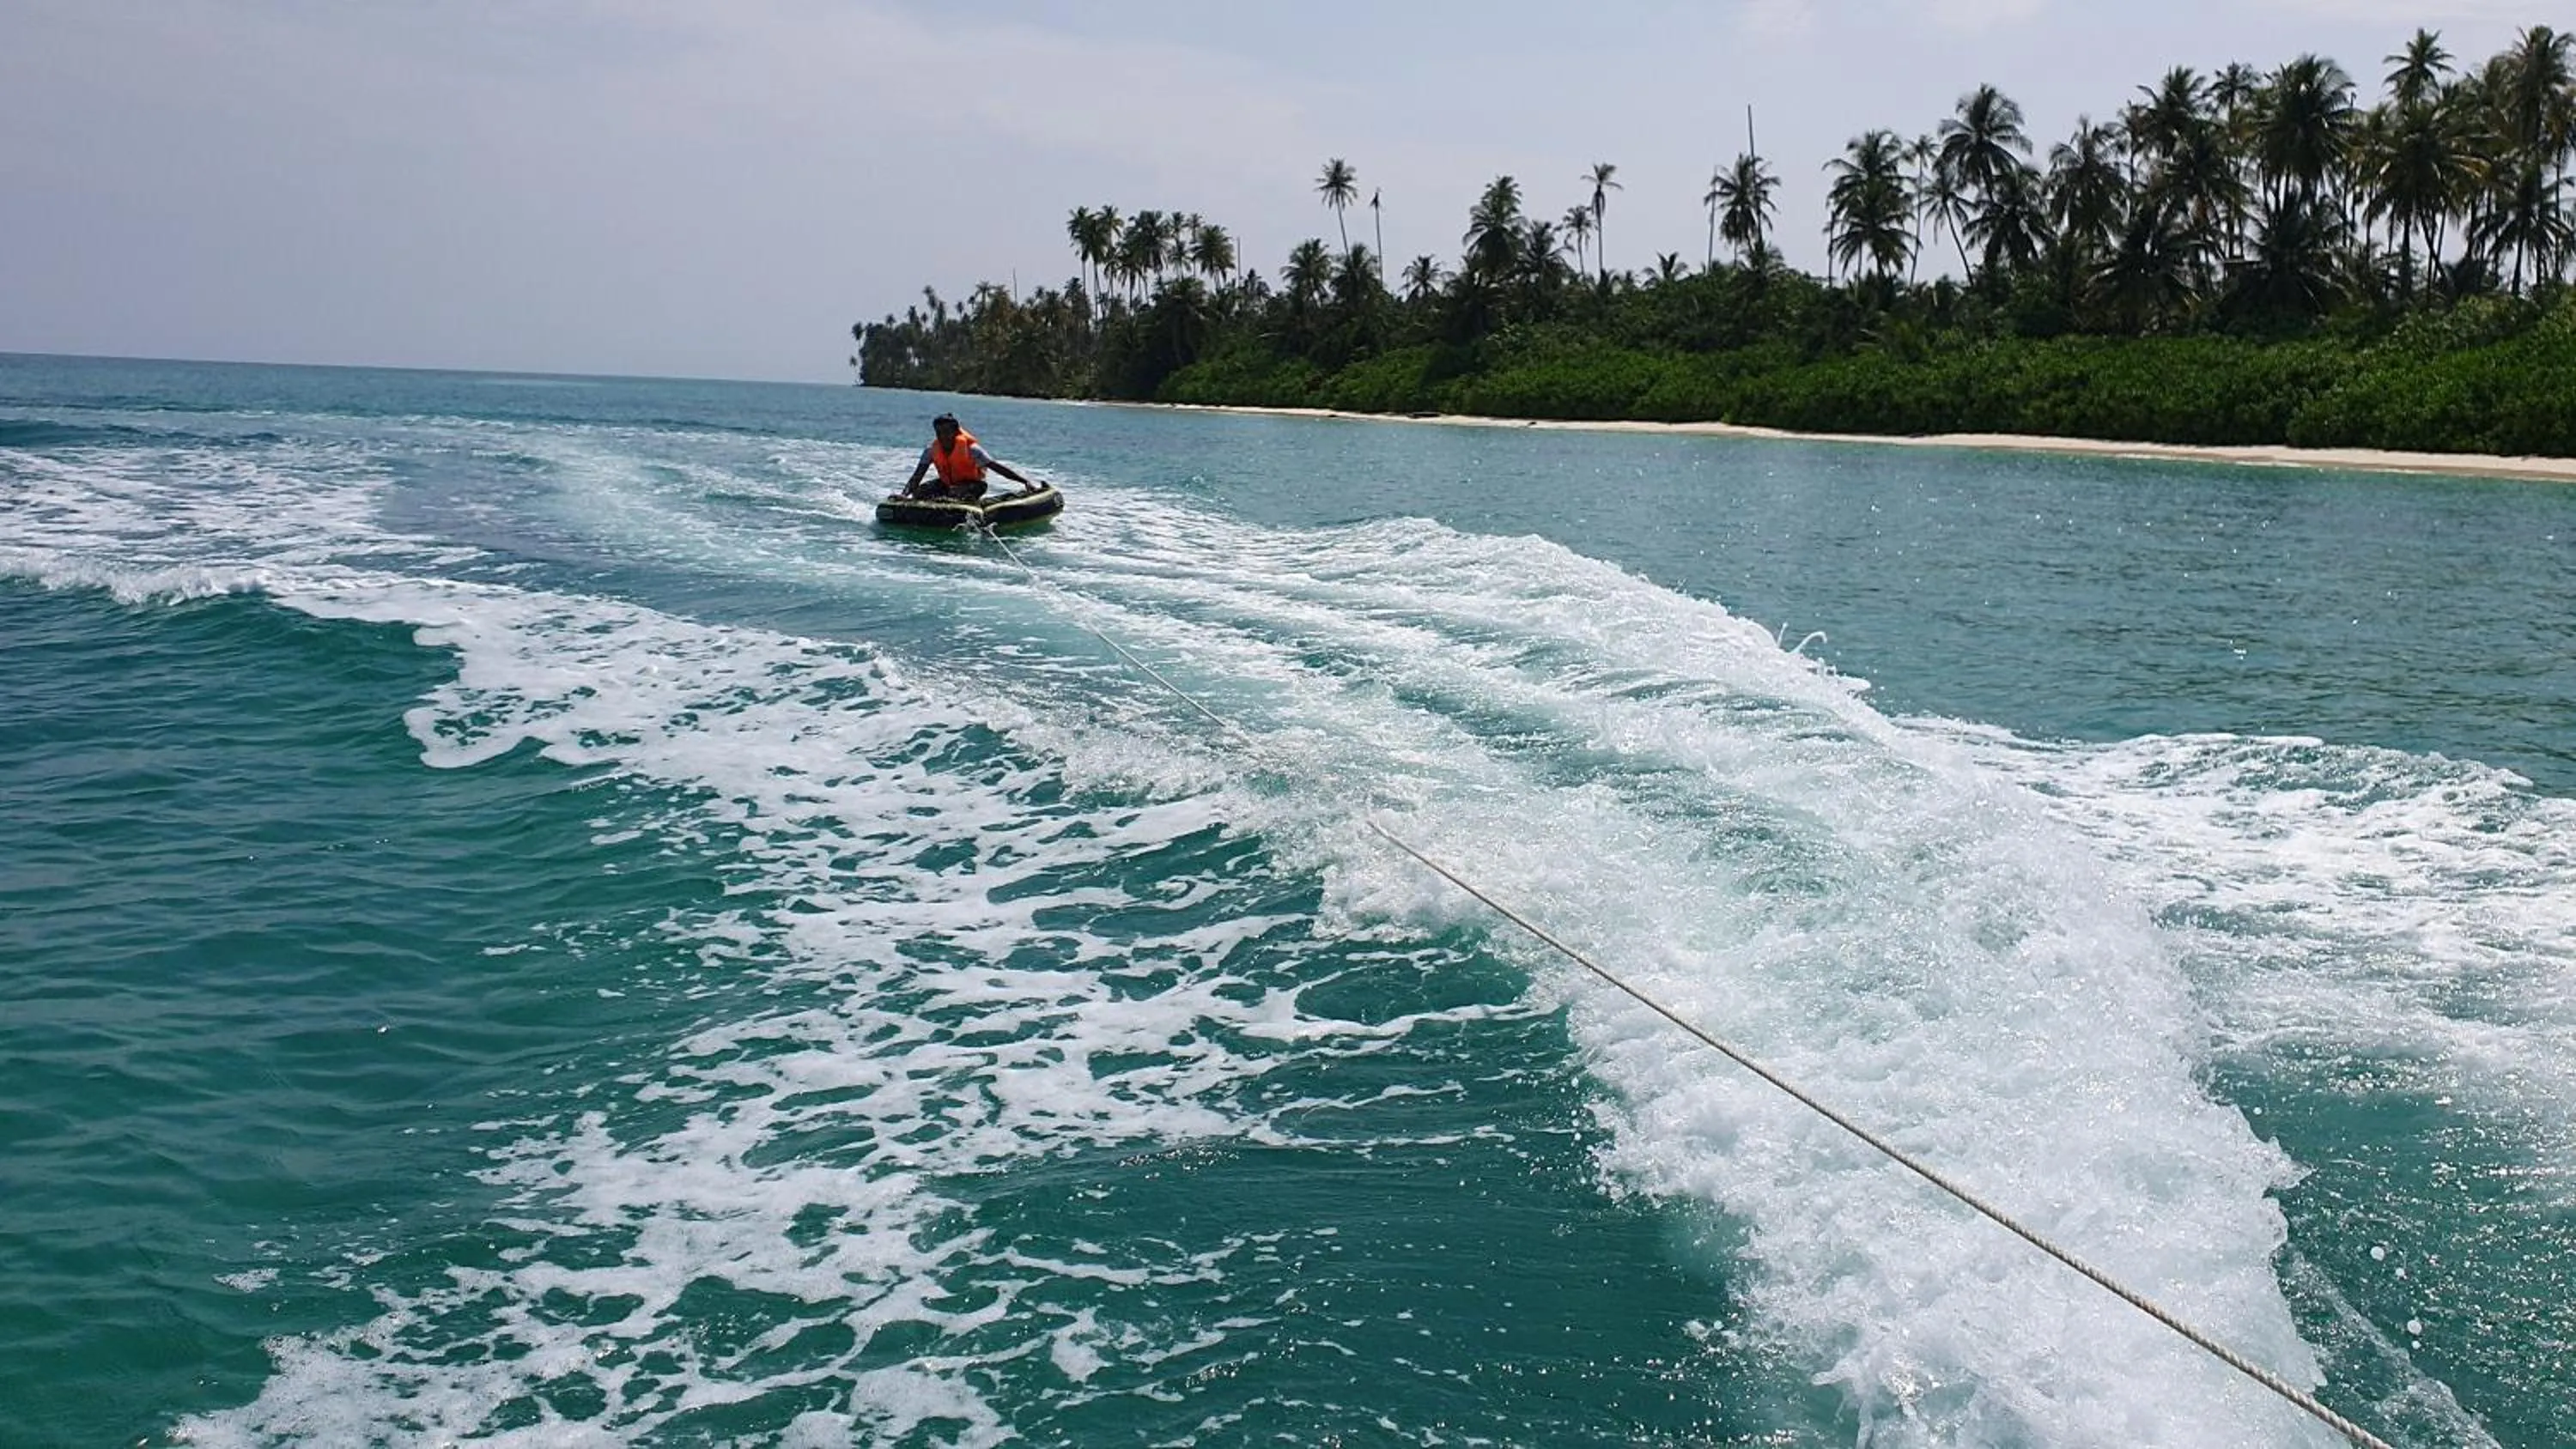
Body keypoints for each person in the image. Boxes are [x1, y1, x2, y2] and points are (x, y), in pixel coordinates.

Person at [901, 414, 1033, 501]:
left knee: (957, 492)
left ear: (956, 432)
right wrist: (904, 495)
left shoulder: (972, 450)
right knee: (918, 493)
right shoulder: (931, 451)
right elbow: (917, 476)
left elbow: (997, 467)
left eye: (947, 432)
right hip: (947, 485)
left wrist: (1024, 482)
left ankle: (963, 507)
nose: (942, 437)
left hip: (974, 485)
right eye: (939, 433)